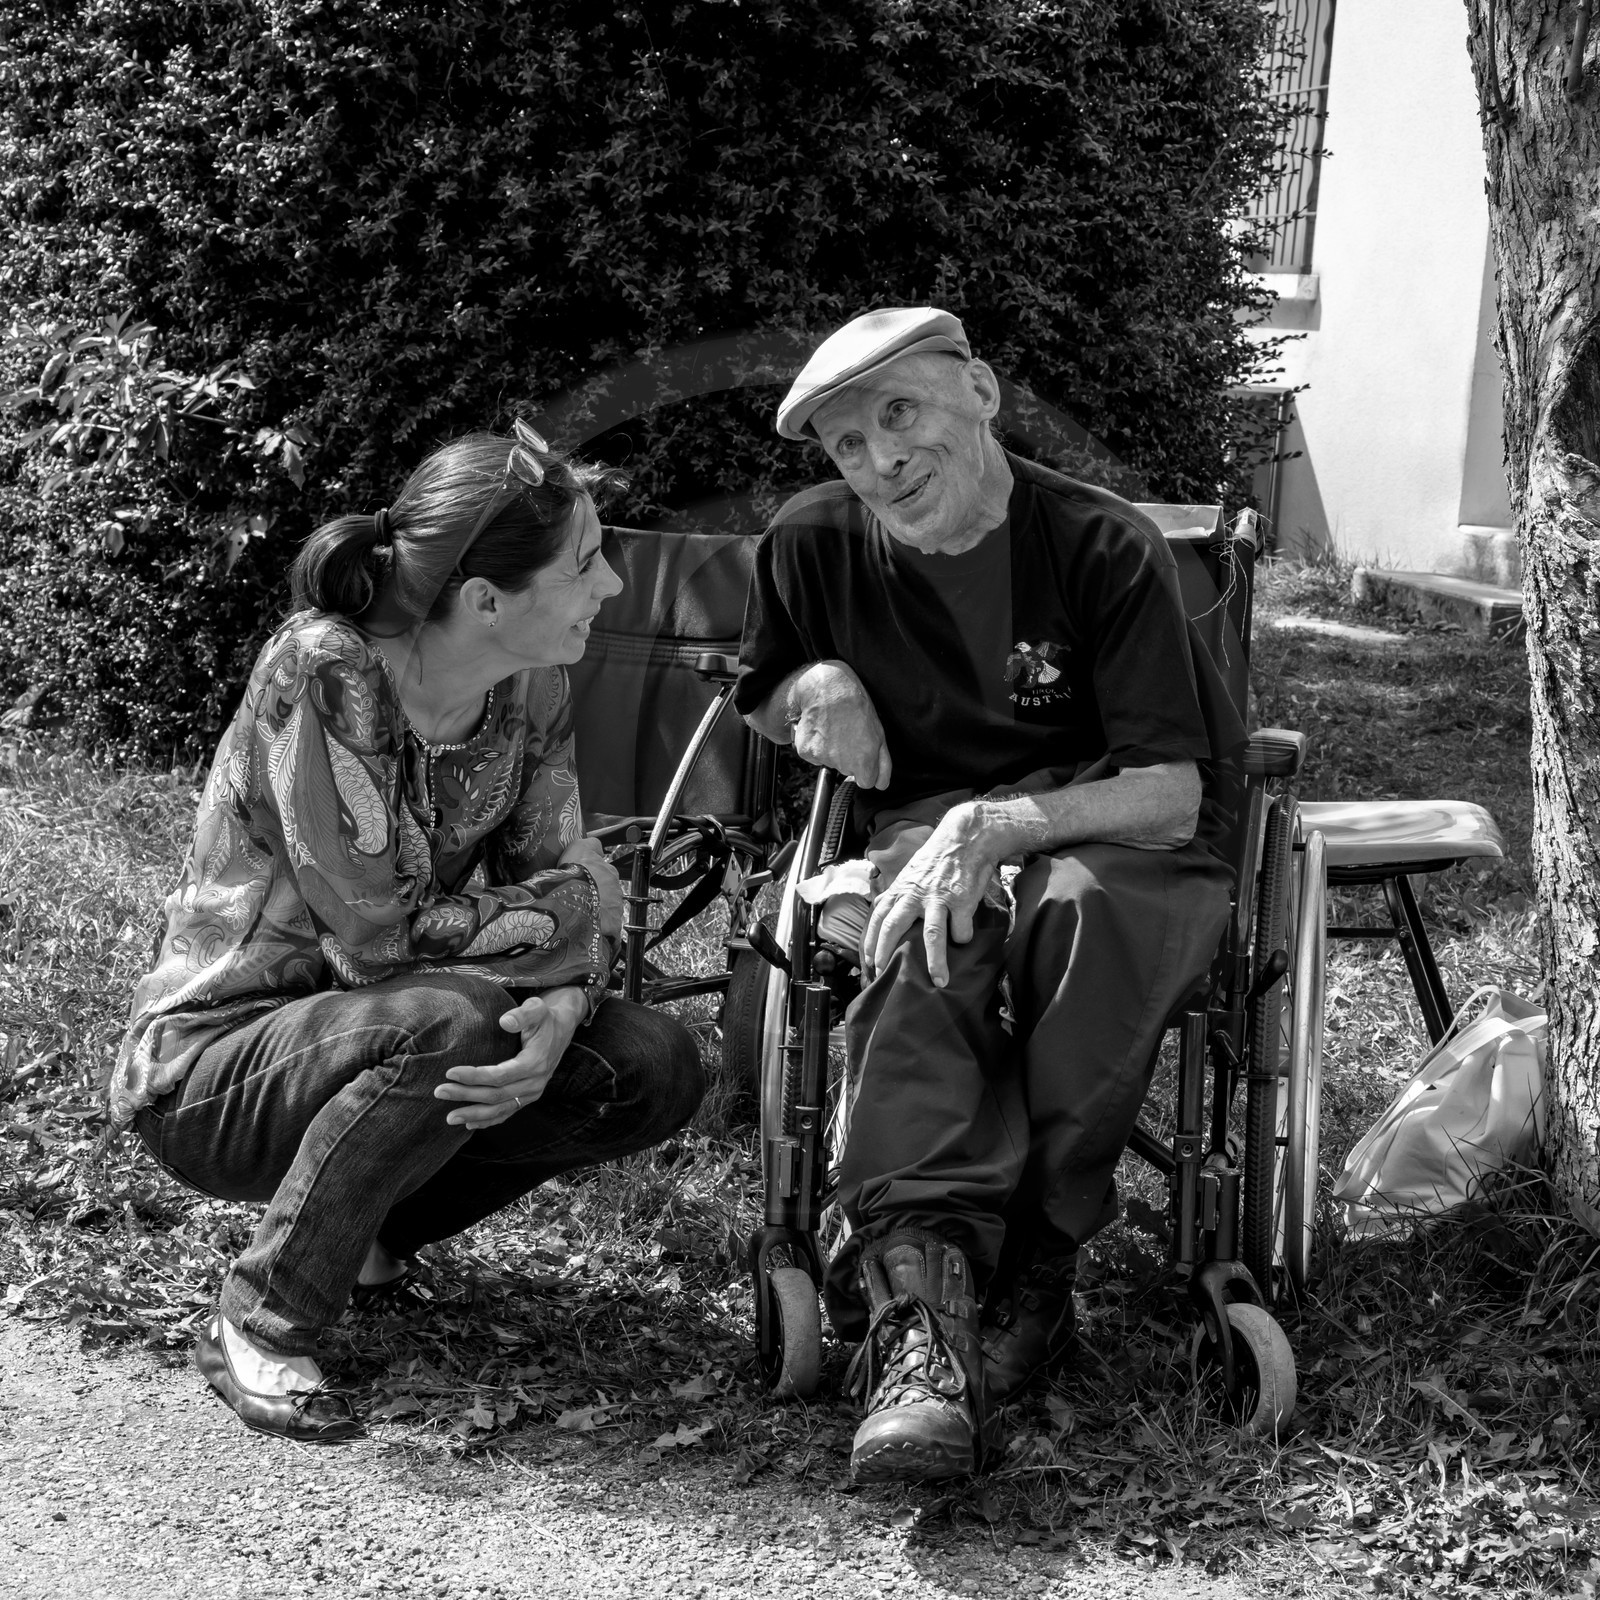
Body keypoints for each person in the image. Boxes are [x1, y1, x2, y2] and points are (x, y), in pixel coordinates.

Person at [110, 421, 704, 1442]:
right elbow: (376, 936)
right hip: (219, 1065)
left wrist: (563, 1001)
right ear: (483, 600)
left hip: (398, 1021)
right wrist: (556, 929)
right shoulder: (325, 667)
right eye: (586, 561)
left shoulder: (534, 686)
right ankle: (260, 1319)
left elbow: (562, 877)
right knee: (453, 1017)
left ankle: (367, 1230)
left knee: (652, 1062)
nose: (609, 585)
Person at [736, 308, 1244, 1484]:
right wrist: (816, 685)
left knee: (1073, 913)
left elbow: (1170, 789)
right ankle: (921, 1323)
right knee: (927, 924)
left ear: (981, 391)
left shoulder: (1102, 543)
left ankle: (1034, 1265)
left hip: (1115, 826)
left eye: (898, 416)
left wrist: (1004, 823)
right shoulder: (811, 543)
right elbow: (761, 692)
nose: (878, 462)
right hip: (929, 828)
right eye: (845, 445)